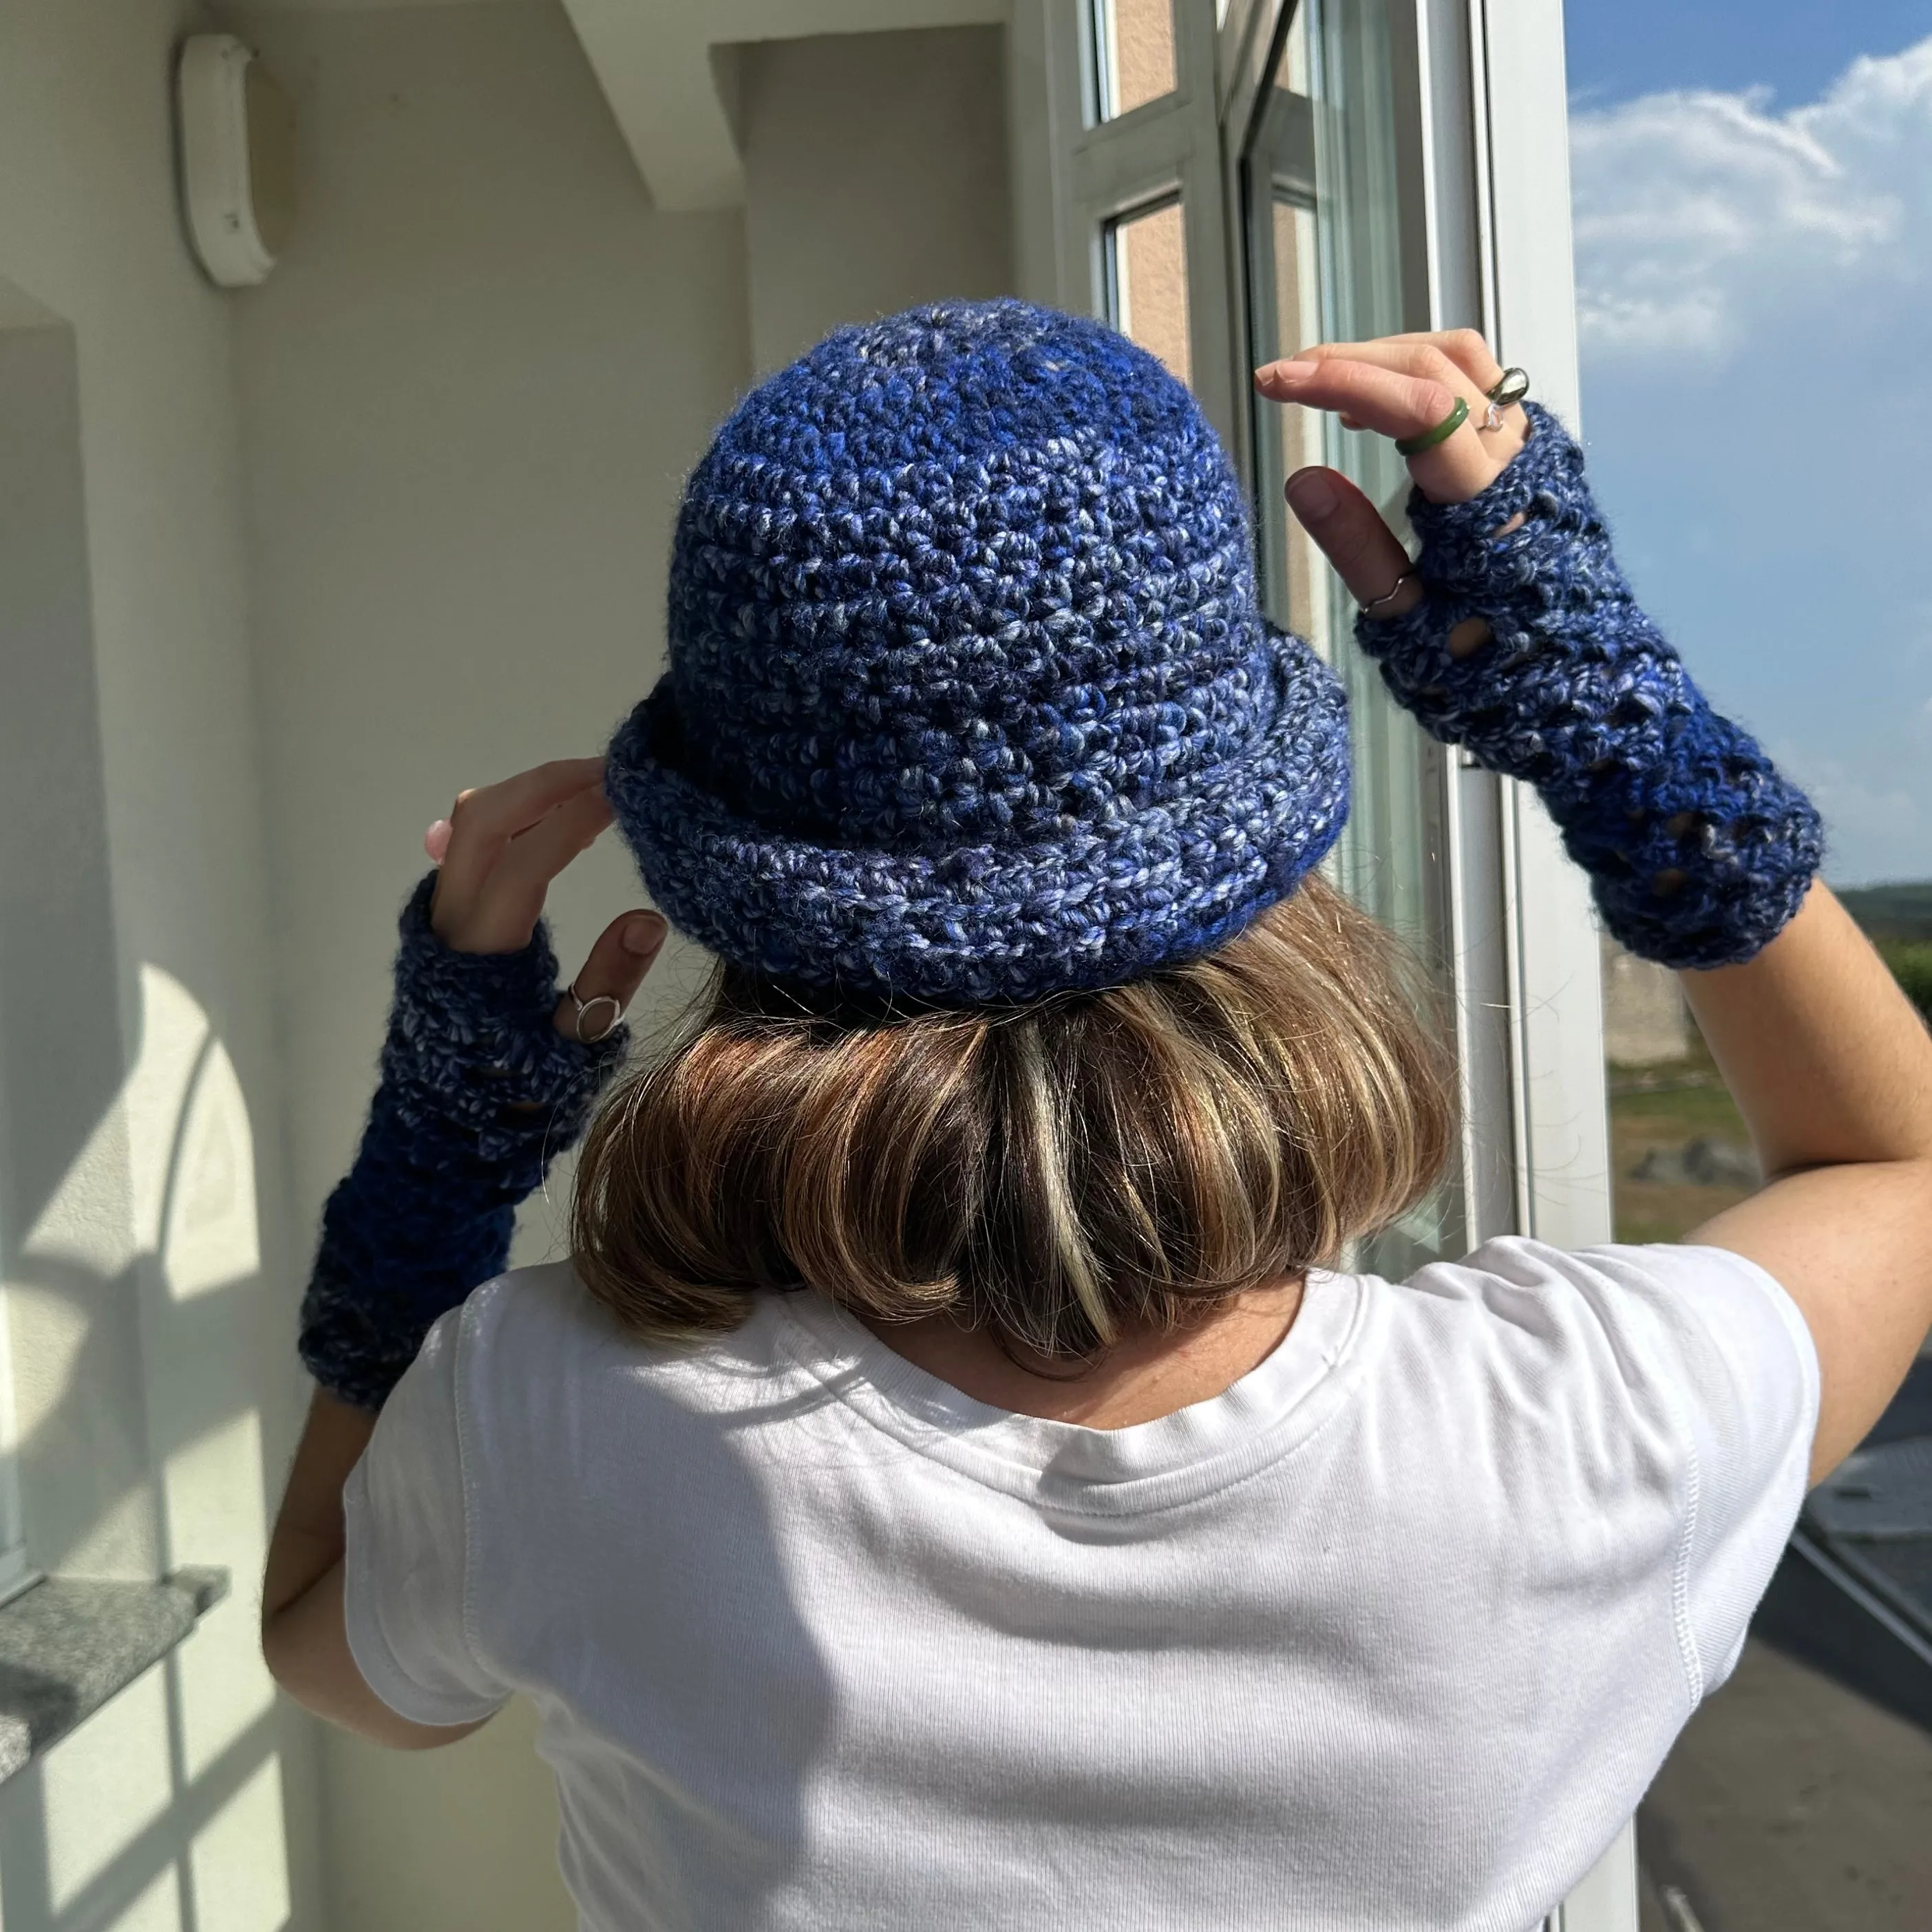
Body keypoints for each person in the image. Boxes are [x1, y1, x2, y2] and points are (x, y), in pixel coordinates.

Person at [261, 301, 1932, 1931]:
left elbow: (325, 1642)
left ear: (735, 877)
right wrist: (1601, 708)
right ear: (1253, 836)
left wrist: (445, 1142)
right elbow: (1896, 1166)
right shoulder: (1579, 1430)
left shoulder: (552, 1422)